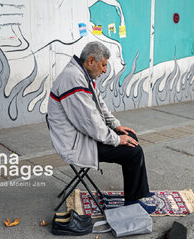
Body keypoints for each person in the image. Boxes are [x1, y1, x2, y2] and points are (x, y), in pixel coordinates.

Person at [47, 41, 155, 213]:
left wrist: (117, 127)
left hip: (81, 136)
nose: (105, 70)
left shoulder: (82, 75)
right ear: (91, 61)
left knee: (131, 138)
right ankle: (133, 203)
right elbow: (90, 122)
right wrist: (116, 140)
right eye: (103, 65)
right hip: (75, 144)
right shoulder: (73, 78)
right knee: (133, 151)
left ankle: (137, 194)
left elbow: (100, 106)